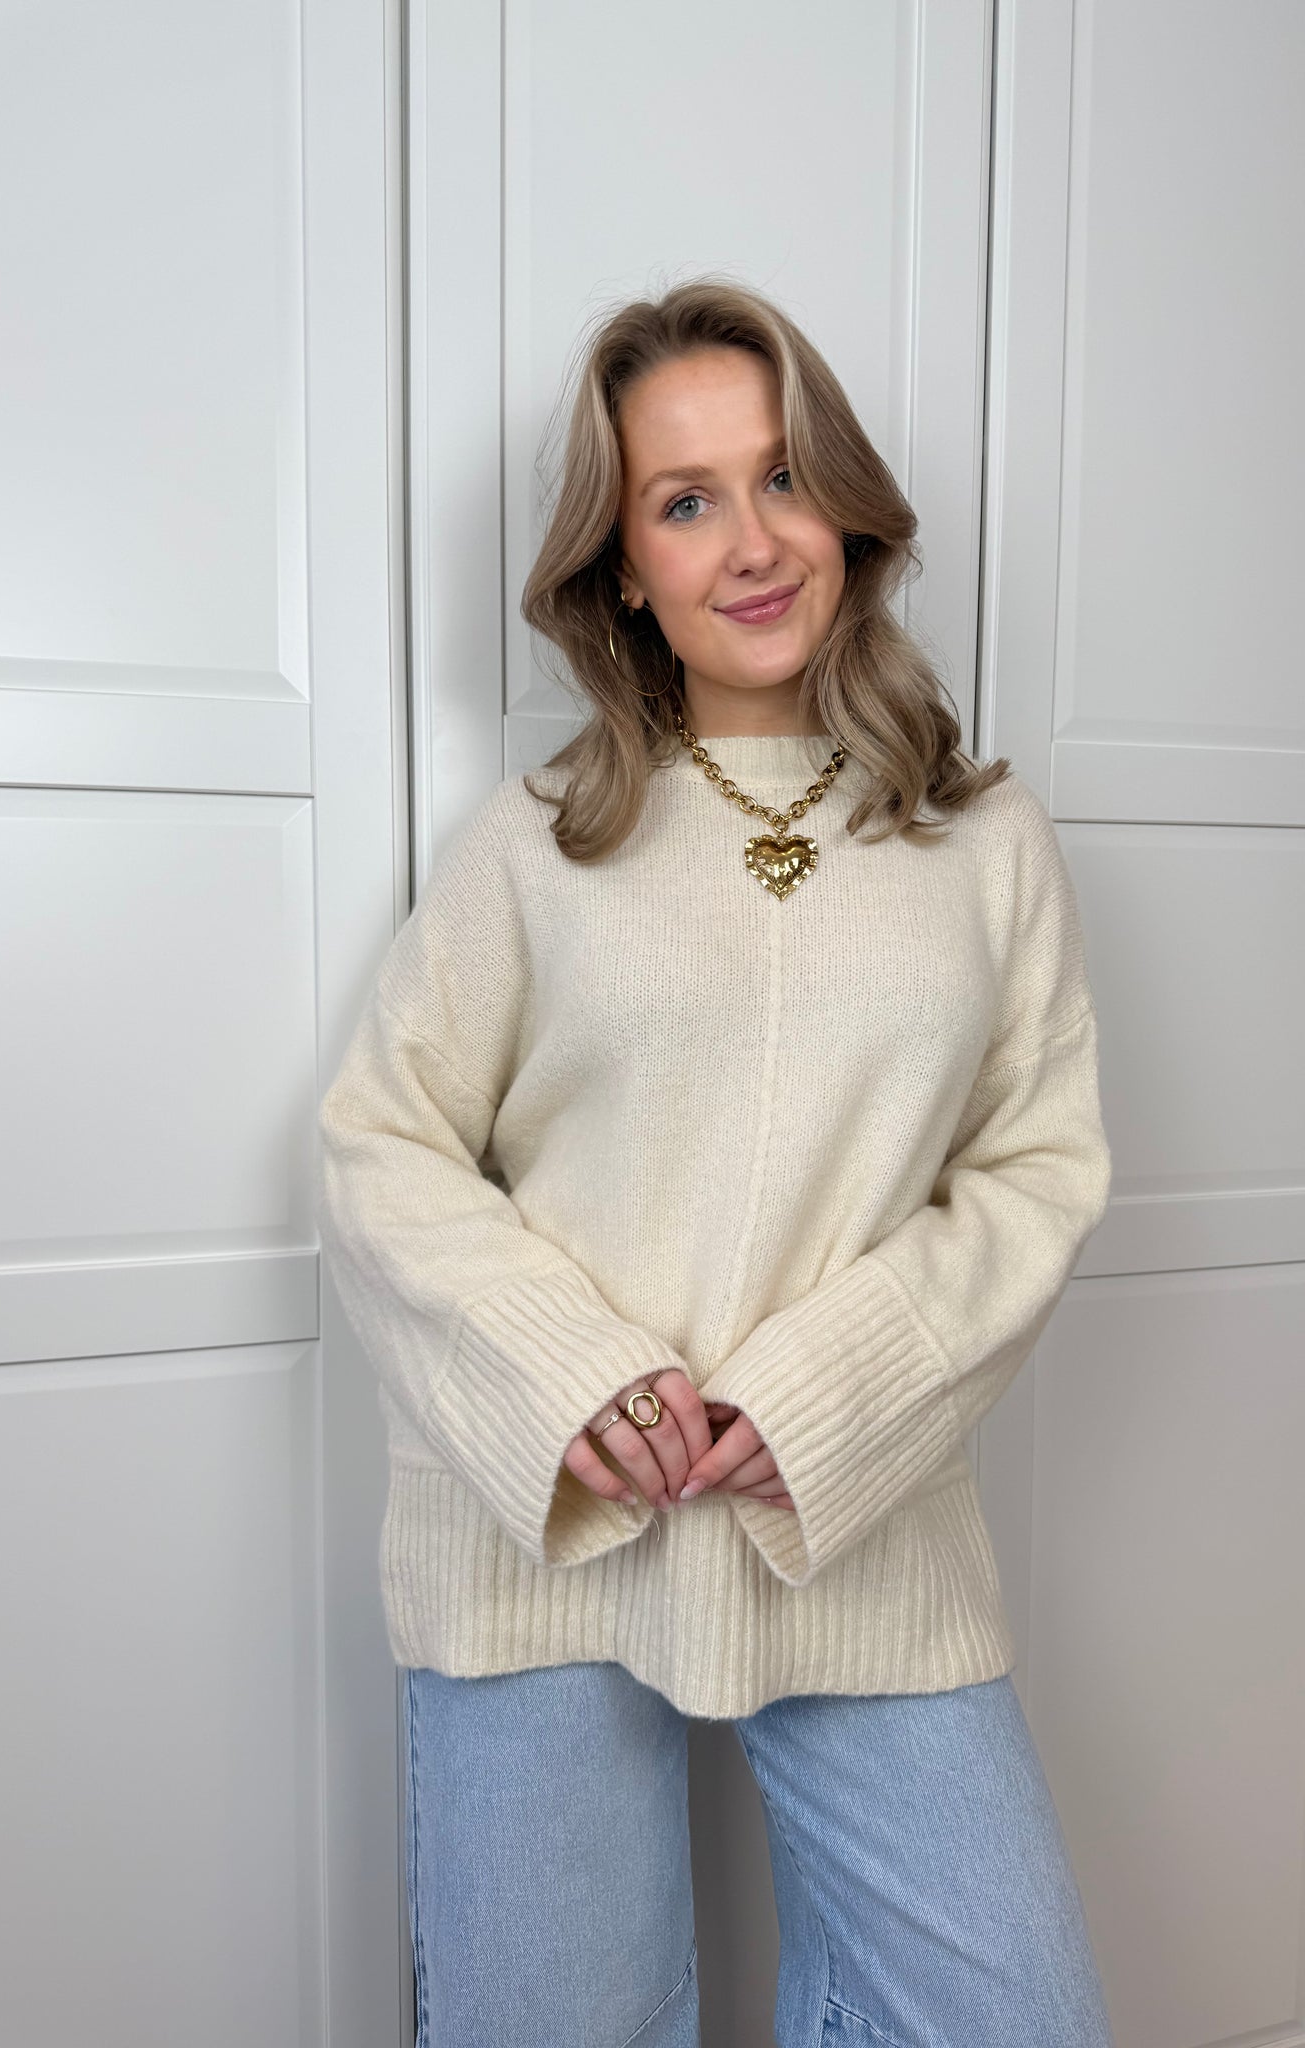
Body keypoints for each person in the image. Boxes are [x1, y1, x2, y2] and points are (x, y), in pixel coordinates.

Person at [316, 275, 1115, 2047]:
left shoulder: (985, 841)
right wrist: (569, 1376)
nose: (752, 544)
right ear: (622, 567)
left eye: (783, 478)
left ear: (848, 509)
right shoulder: (535, 843)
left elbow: (1035, 1171)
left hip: (860, 1518)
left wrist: (827, 1396)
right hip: (545, 1530)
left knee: (1018, 2014)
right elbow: (383, 1142)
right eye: (685, 502)